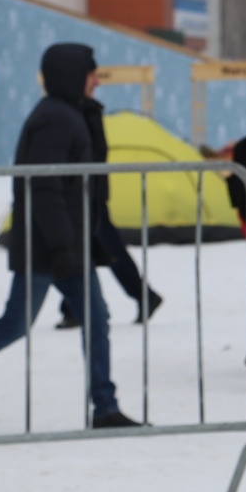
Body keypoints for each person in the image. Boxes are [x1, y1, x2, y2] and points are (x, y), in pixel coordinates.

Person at [0, 43, 139, 430]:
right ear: (73, 77)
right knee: (14, 325)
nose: (98, 82)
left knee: (95, 319)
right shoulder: (54, 119)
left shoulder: (70, 114)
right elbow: (44, 188)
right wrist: (61, 245)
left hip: (67, 243)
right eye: (92, 75)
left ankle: (105, 406)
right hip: (48, 247)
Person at [54, 84, 163, 330]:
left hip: (87, 194)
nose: (95, 83)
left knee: (103, 246)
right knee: (91, 247)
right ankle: (75, 306)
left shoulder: (86, 111)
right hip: (86, 192)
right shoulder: (82, 110)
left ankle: (139, 295)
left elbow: (91, 155)